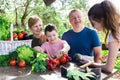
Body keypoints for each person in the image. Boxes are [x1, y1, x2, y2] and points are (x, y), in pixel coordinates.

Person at [88, 0, 120, 73]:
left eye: (93, 23)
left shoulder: (114, 34)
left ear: (102, 19)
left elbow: (108, 68)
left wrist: (91, 64)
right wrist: (113, 54)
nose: (93, 27)